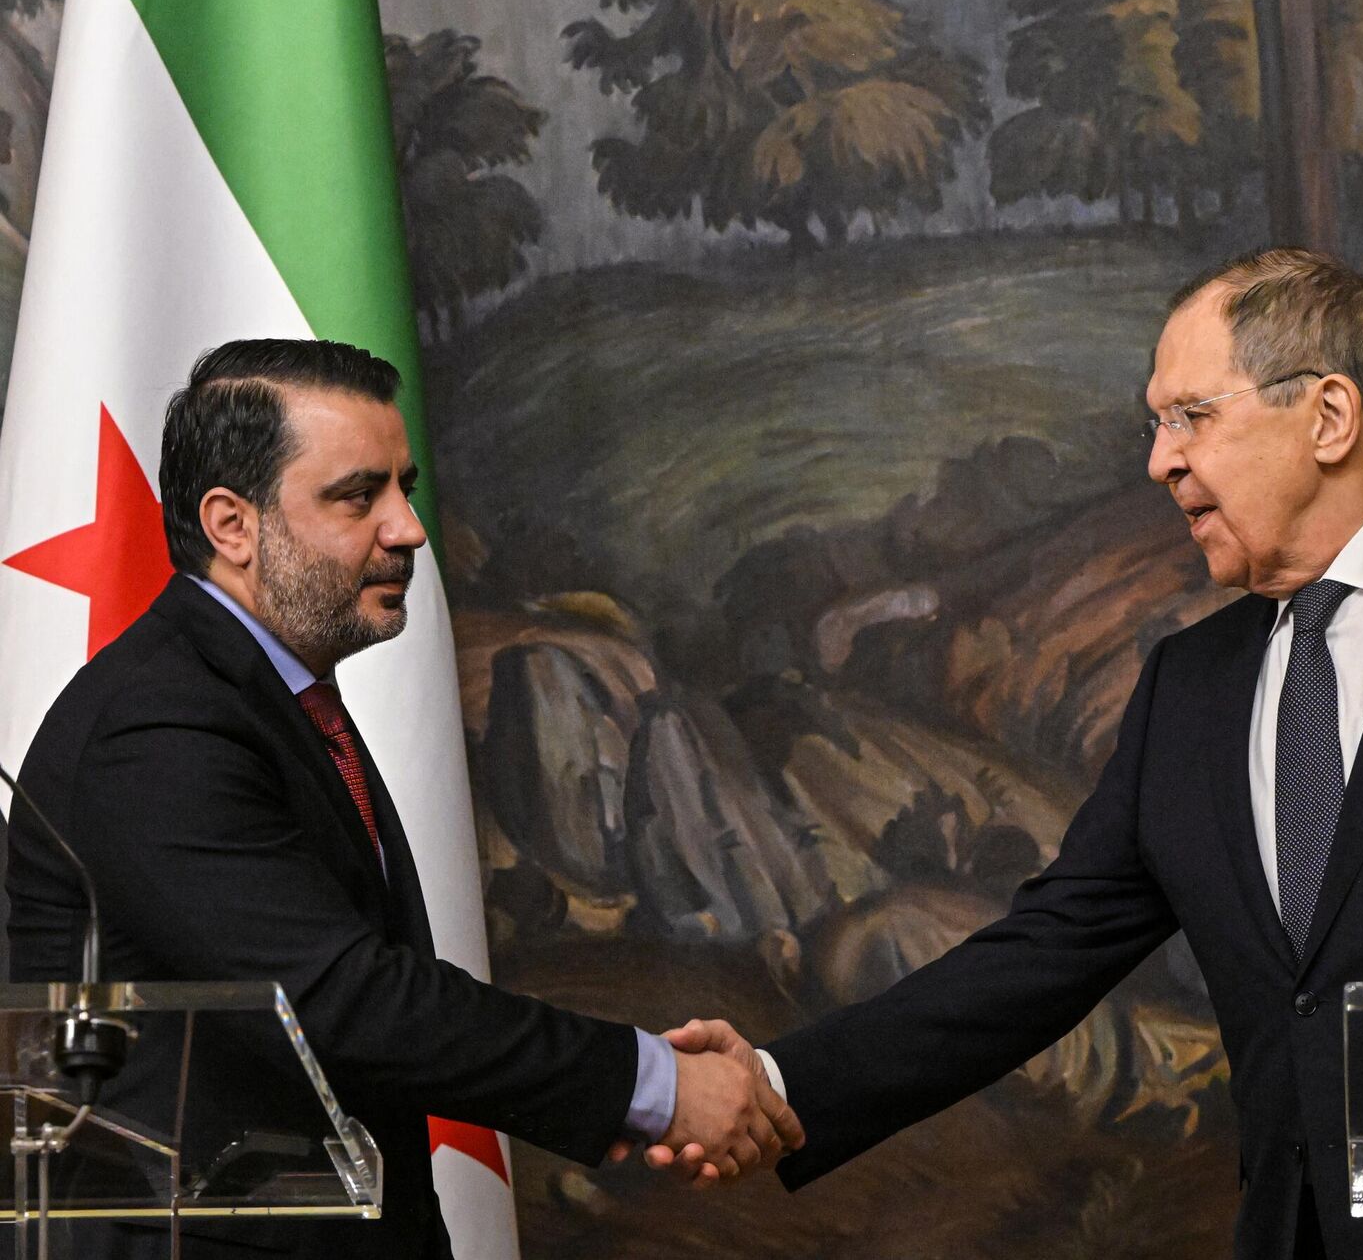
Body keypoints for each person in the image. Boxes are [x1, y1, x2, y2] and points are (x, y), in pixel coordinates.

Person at [660, 248, 1363, 1258]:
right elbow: (1037, 957)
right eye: (1154, 425)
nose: (1159, 461)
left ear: (1328, 415)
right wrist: (778, 1083)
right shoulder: (1191, 688)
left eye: (1190, 416)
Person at [6, 339, 800, 1259]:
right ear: (231, 525)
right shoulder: (154, 727)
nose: (410, 528)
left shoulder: (274, 695)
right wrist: (654, 1084)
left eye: (405, 487)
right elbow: (345, 1002)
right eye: (359, 496)